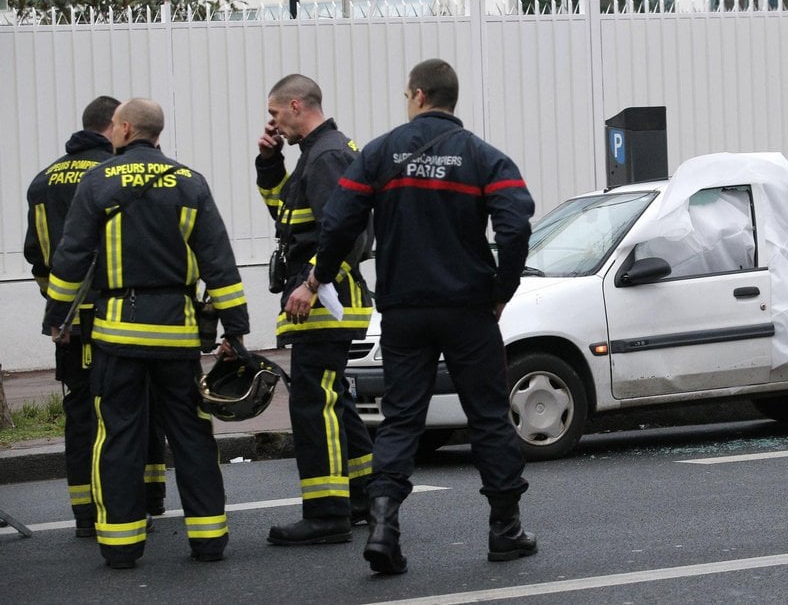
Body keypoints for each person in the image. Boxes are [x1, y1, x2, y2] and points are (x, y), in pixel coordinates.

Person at [289, 58, 537, 574]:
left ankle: (384, 526)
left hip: (403, 310)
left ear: (419, 95)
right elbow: (514, 227)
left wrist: (320, 278)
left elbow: (337, 223)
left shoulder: (379, 153)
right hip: (468, 309)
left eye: (407, 94)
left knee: (402, 418)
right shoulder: (485, 158)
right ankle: (505, 530)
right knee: (489, 417)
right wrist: (501, 289)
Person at [43, 98, 249, 569]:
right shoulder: (190, 182)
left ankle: (120, 546)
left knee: (118, 434)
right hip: (176, 333)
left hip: (117, 332)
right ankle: (209, 539)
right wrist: (235, 329)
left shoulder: (98, 180)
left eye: (115, 126)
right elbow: (219, 263)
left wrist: (58, 317)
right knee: (193, 433)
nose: (111, 132)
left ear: (127, 128)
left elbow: (71, 257)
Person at [23, 96, 168, 539]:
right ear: (116, 126)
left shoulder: (42, 181)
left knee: (82, 415)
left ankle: (86, 512)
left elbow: (38, 257)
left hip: (70, 322)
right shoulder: (115, 174)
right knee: (134, 406)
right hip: (118, 314)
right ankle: (146, 499)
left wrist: (59, 312)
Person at [255, 74, 375, 546]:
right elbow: (289, 217)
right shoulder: (317, 153)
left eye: (276, 113)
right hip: (323, 295)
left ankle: (327, 515)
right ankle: (363, 496)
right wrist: (269, 164)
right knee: (334, 401)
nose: (273, 122)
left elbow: (343, 231)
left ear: (297, 104)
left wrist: (313, 283)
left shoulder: (326, 156)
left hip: (323, 300)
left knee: (312, 403)